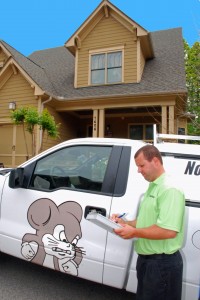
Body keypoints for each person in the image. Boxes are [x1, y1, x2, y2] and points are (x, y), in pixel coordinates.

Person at [112, 144, 185, 300]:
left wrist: (134, 232)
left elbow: (168, 231)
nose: (139, 170)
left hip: (162, 265)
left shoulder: (169, 189)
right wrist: (126, 223)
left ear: (156, 161)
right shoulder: (153, 186)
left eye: (141, 165)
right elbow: (146, 221)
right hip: (149, 263)